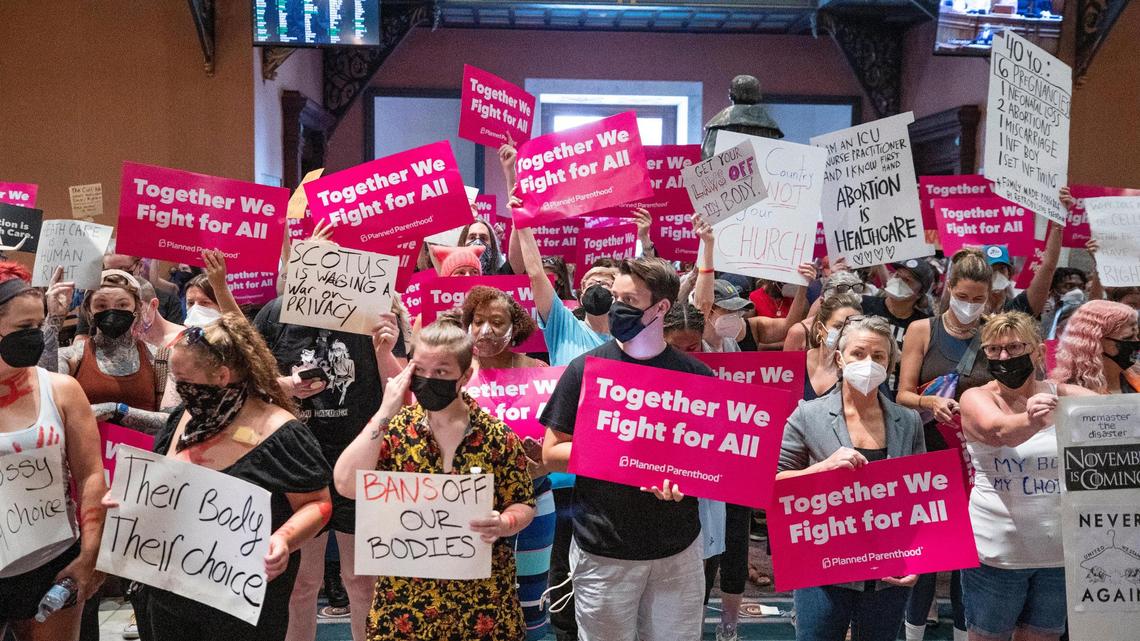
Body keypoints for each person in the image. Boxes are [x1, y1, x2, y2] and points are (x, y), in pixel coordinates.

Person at [114, 315, 332, 641]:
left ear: (222, 376)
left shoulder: (281, 432)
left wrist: (284, 539)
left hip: (239, 601)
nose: (180, 389)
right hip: (170, 595)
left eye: (185, 380)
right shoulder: (183, 418)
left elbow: (319, 504)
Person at [541, 256, 713, 641]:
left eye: (629, 299)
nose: (616, 306)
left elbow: (713, 461)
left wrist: (685, 479)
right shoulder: (585, 369)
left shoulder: (697, 376)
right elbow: (551, 451)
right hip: (603, 549)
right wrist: (627, 450)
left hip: (677, 550)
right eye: (615, 295)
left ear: (661, 307)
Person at [333, 320, 537, 640]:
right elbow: (345, 483)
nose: (428, 380)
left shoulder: (498, 437)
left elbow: (523, 501)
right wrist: (385, 411)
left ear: (466, 375)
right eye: (421, 370)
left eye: (441, 372)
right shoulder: (396, 431)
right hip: (405, 602)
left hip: (480, 601)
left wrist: (505, 521)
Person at [256, 288, 406, 641]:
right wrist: (287, 387)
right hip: (298, 462)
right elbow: (252, 385)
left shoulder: (373, 312)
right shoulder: (275, 314)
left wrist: (385, 350)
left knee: (362, 580)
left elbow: (402, 393)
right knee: (302, 584)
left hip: (359, 460)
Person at [777, 315, 924, 641]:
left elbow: (921, 497)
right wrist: (821, 468)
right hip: (822, 563)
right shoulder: (807, 414)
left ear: (890, 364)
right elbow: (772, 484)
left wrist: (919, 557)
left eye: (879, 356)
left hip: (888, 570)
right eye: (858, 354)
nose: (868, 363)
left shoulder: (908, 421)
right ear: (840, 358)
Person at [959, 312, 1095, 641]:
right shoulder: (975, 397)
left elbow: (1118, 415)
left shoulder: (1064, 395)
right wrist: (1032, 420)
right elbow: (999, 431)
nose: (1004, 357)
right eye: (993, 350)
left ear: (1036, 351)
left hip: (1059, 552)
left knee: (1043, 637)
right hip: (996, 553)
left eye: (1014, 347)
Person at [0, 262, 106, 641]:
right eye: (23, 329)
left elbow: (91, 472)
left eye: (40, 324)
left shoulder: (60, 389)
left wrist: (90, 552)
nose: (37, 336)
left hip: (51, 561)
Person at [897, 247, 996, 641]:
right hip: (929, 454)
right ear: (949, 288)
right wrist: (930, 401)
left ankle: (961, 632)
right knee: (926, 554)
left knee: (966, 558)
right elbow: (902, 393)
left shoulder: (993, 334)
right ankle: (912, 633)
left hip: (977, 458)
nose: (970, 305)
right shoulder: (923, 330)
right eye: (964, 296)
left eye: (978, 299)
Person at [460, 286, 554, 640]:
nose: (485, 330)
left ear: (515, 328)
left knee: (532, 605)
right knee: (475, 609)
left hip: (535, 502)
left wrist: (542, 463)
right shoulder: (456, 375)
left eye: (496, 322)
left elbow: (559, 442)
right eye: (478, 320)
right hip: (469, 508)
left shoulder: (540, 373)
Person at [661, 302, 751, 641]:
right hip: (667, 487)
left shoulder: (725, 359)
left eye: (693, 347)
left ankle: (705, 629)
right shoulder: (648, 371)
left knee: (712, 559)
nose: (687, 354)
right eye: (677, 348)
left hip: (719, 481)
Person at [58, 271, 170, 435]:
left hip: (140, 458)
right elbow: (49, 407)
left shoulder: (161, 359)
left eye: (122, 305)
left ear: (136, 308)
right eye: (101, 306)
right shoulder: (70, 356)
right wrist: (54, 318)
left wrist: (116, 410)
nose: (112, 311)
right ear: (89, 311)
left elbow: (173, 422)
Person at [862, 259, 934, 396]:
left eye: (907, 280)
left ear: (919, 293)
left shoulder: (924, 325)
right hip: (861, 389)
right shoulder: (865, 305)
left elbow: (926, 372)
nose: (899, 282)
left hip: (895, 399)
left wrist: (904, 359)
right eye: (897, 276)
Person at [1052, 300, 1140, 394]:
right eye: (1128, 338)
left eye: (1138, 336)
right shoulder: (1064, 393)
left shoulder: (1135, 380)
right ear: (1095, 343)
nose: (1136, 342)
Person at [782, 271, 866, 351]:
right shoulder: (799, 332)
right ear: (822, 302)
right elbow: (789, 365)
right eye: (838, 325)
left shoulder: (864, 330)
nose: (846, 325)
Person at [803, 293, 863, 401]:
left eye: (853, 327)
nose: (846, 332)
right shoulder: (794, 363)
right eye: (838, 326)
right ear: (820, 328)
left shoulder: (863, 371)